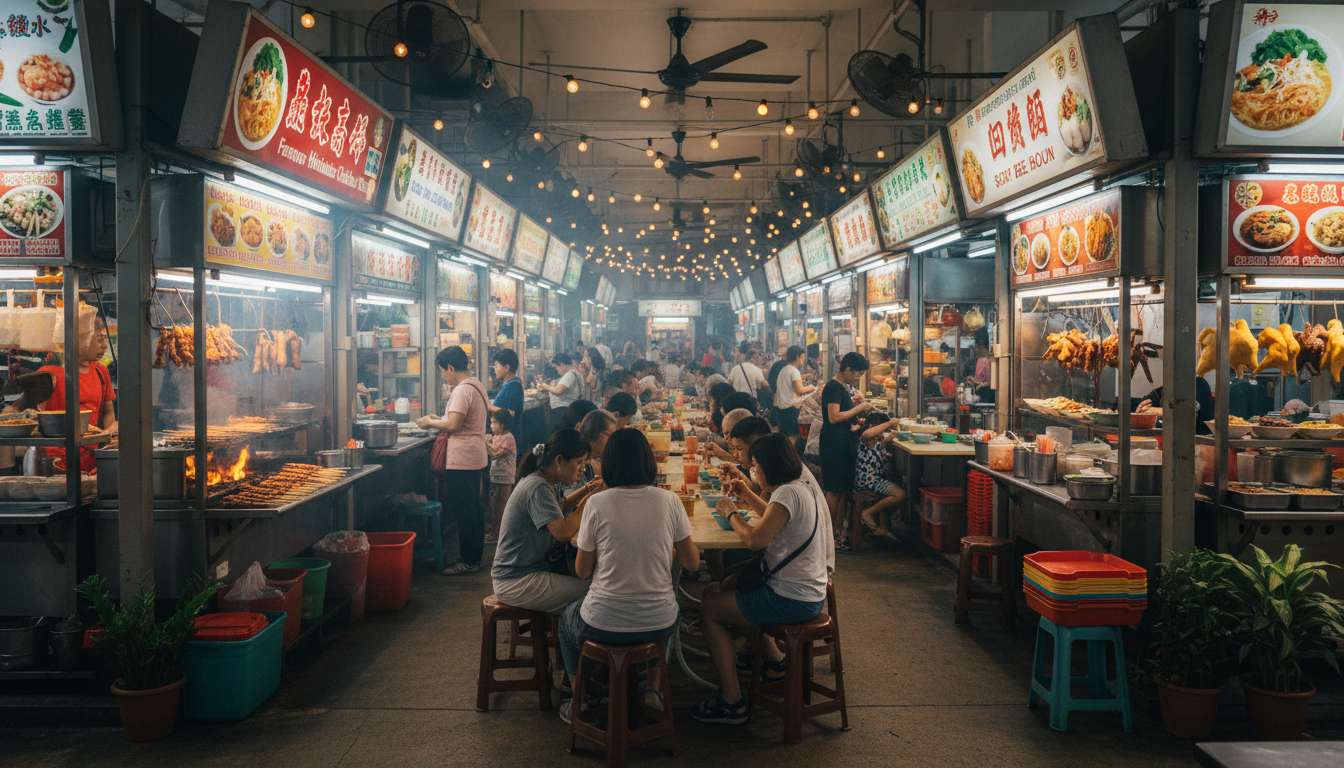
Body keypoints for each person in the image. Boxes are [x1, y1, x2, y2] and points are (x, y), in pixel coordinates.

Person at [559, 428, 700, 723]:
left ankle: (580, 699)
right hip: (659, 622)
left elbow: (583, 572)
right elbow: (692, 563)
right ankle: (652, 689)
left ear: (609, 464)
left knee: (565, 622)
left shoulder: (596, 505)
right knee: (658, 613)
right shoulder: (670, 501)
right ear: (648, 462)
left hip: (602, 622)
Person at [691, 434, 830, 724]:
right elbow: (772, 517)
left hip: (791, 599)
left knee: (709, 608)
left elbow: (755, 539)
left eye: (754, 466)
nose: (753, 472)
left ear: (769, 465)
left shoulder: (787, 493)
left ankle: (732, 701)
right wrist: (746, 493)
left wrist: (731, 513)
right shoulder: (798, 488)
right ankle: (775, 661)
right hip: (808, 594)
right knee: (724, 588)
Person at [492, 430, 596, 615]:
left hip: (526, 573)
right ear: (559, 460)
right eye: (579, 462)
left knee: (592, 582)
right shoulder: (538, 487)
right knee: (596, 591)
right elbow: (562, 532)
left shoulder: (544, 482)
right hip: (517, 580)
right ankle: (569, 639)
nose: (582, 468)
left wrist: (588, 489)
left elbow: (559, 510)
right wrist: (592, 501)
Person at [417, 346, 490, 575]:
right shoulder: (477, 385)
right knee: (474, 509)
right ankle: (473, 557)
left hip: (463, 459)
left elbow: (453, 425)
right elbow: (458, 419)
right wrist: (439, 418)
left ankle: (468, 561)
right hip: (475, 455)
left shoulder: (462, 390)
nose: (443, 376)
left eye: (442, 371)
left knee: (464, 510)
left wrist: (430, 422)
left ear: (450, 367)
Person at [34, 317, 117, 473]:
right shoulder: (49, 373)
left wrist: (108, 439)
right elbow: (29, 415)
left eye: (105, 339)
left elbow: (108, 413)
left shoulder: (101, 371)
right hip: (55, 462)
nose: (105, 345)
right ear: (81, 340)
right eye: (100, 340)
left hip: (91, 460)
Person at [820, 352, 873, 544]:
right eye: (858, 374)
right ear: (848, 369)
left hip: (841, 443)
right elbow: (834, 417)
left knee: (842, 490)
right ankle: (826, 536)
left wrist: (853, 408)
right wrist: (858, 409)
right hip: (834, 444)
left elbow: (842, 412)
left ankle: (836, 533)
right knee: (834, 491)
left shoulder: (841, 387)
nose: (859, 378)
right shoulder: (834, 387)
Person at [854, 413, 903, 540]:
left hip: (875, 480)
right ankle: (867, 513)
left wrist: (889, 437)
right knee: (900, 494)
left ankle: (883, 528)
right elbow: (867, 434)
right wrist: (889, 423)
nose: (882, 434)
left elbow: (881, 445)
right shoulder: (865, 440)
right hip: (868, 481)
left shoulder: (876, 443)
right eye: (881, 430)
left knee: (891, 482)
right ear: (871, 426)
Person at [484, 410, 517, 544]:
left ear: (502, 424)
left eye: (494, 423)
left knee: (502, 506)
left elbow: (495, 454)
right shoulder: (497, 436)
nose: (491, 426)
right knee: (494, 505)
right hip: (495, 475)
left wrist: (483, 442)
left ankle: (500, 533)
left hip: (505, 477)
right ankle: (494, 530)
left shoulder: (508, 438)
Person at [773, 345, 815, 438]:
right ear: (797, 356)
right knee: (794, 437)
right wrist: (811, 387)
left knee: (786, 437)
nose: (803, 360)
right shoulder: (793, 371)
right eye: (803, 357)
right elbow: (800, 390)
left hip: (782, 409)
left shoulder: (784, 370)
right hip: (791, 409)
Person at [540, 353, 583, 433]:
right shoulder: (575, 373)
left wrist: (544, 385)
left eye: (557, 367)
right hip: (570, 409)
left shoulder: (569, 374)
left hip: (562, 412)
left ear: (563, 365)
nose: (557, 370)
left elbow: (558, 391)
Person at [489, 348, 524, 420]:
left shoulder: (512, 386)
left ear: (507, 367)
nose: (495, 368)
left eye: (497, 366)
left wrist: (488, 405)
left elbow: (503, 412)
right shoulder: (514, 383)